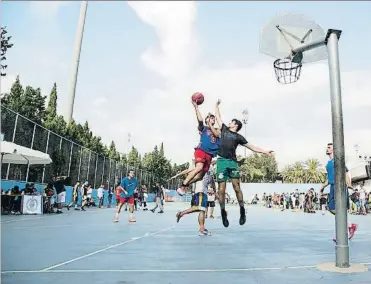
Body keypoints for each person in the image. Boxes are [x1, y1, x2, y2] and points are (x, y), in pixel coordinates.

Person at [209, 99, 274, 227]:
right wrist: (216, 105)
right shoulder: (224, 129)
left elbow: (252, 147)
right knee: (221, 190)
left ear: (236, 125)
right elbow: (218, 117)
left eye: (232, 121)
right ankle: (223, 212)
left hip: (232, 163)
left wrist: (265, 151)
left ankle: (242, 210)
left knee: (237, 187)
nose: (229, 122)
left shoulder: (239, 137)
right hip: (221, 161)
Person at [176, 99, 220, 196]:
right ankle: (183, 186)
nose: (212, 119)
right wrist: (196, 107)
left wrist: (217, 107)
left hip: (210, 155)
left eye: (213, 118)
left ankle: (185, 185)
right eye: (210, 118)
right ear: (206, 120)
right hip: (201, 151)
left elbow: (218, 134)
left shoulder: (217, 130)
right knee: (199, 167)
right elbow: (200, 120)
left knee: (200, 177)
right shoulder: (204, 128)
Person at [320, 142, 358, 242]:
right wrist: (323, 187)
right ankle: (349, 225)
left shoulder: (338, 160)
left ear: (334, 149)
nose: (327, 149)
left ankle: (342, 233)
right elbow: (329, 177)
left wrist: (349, 185)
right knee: (332, 208)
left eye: (329, 147)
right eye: (327, 147)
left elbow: (345, 173)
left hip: (340, 186)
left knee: (341, 209)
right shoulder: (329, 163)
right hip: (333, 186)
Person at [176, 158, 217, 236]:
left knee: (201, 210)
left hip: (204, 192)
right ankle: (201, 229)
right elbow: (188, 170)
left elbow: (212, 181)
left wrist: (215, 191)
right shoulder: (201, 166)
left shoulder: (211, 169)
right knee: (201, 209)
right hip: (199, 190)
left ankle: (201, 228)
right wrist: (178, 175)